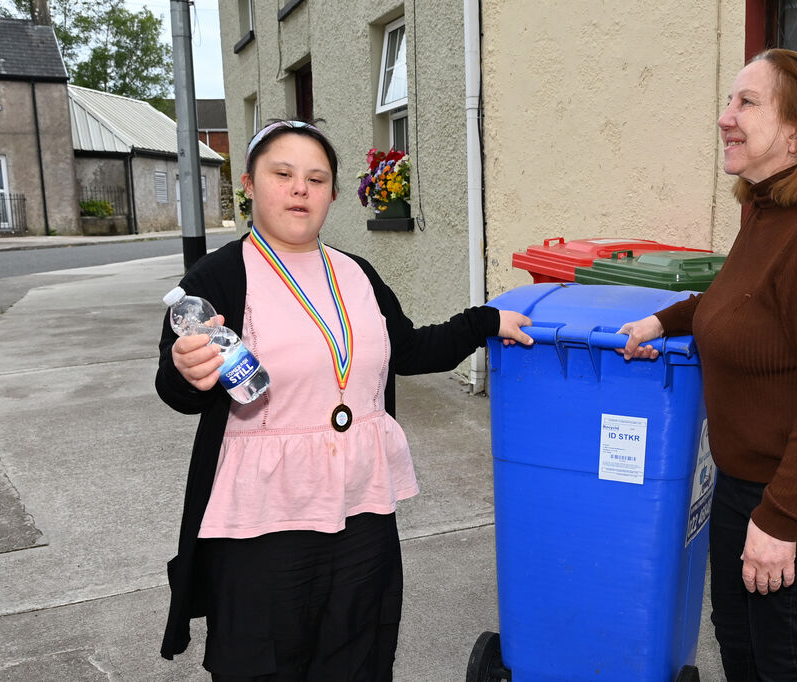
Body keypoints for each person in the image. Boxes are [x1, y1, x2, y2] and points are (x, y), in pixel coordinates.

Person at [154, 119, 532, 681]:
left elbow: (406, 350)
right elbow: (177, 388)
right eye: (282, 174)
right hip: (266, 515)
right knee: (265, 661)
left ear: (332, 193)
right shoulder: (217, 277)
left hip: (361, 504)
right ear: (249, 184)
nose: (300, 189)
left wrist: (485, 321)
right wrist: (188, 372)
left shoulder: (356, 273)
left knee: (358, 652)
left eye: (316, 178)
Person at [618, 49, 797, 681]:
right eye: (728, 100)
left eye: (747, 103)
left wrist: (780, 519)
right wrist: (663, 321)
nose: (724, 117)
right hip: (740, 481)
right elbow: (739, 301)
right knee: (738, 645)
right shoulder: (767, 211)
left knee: (782, 661)